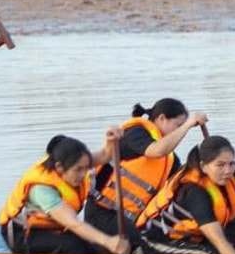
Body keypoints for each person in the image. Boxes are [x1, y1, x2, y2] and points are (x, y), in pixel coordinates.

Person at [134, 136, 235, 254]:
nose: (227, 171)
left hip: (189, 237)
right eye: (220, 165)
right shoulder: (195, 192)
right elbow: (217, 238)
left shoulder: (225, 171)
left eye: (231, 164)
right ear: (204, 166)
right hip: (155, 239)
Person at [82, 98, 209, 235]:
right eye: (178, 126)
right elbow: (157, 151)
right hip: (101, 212)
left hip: (130, 220)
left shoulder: (170, 161)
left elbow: (179, 184)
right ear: (162, 119)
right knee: (143, 243)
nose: (180, 133)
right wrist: (189, 124)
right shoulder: (135, 132)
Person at [0, 133, 130, 254]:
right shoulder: (42, 190)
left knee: (94, 246)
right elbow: (73, 224)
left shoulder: (77, 162)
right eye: (78, 170)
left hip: (48, 227)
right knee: (72, 245)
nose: (84, 174)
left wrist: (111, 139)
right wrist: (108, 241)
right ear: (59, 167)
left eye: (86, 168)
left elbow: (105, 155)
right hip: (21, 234)